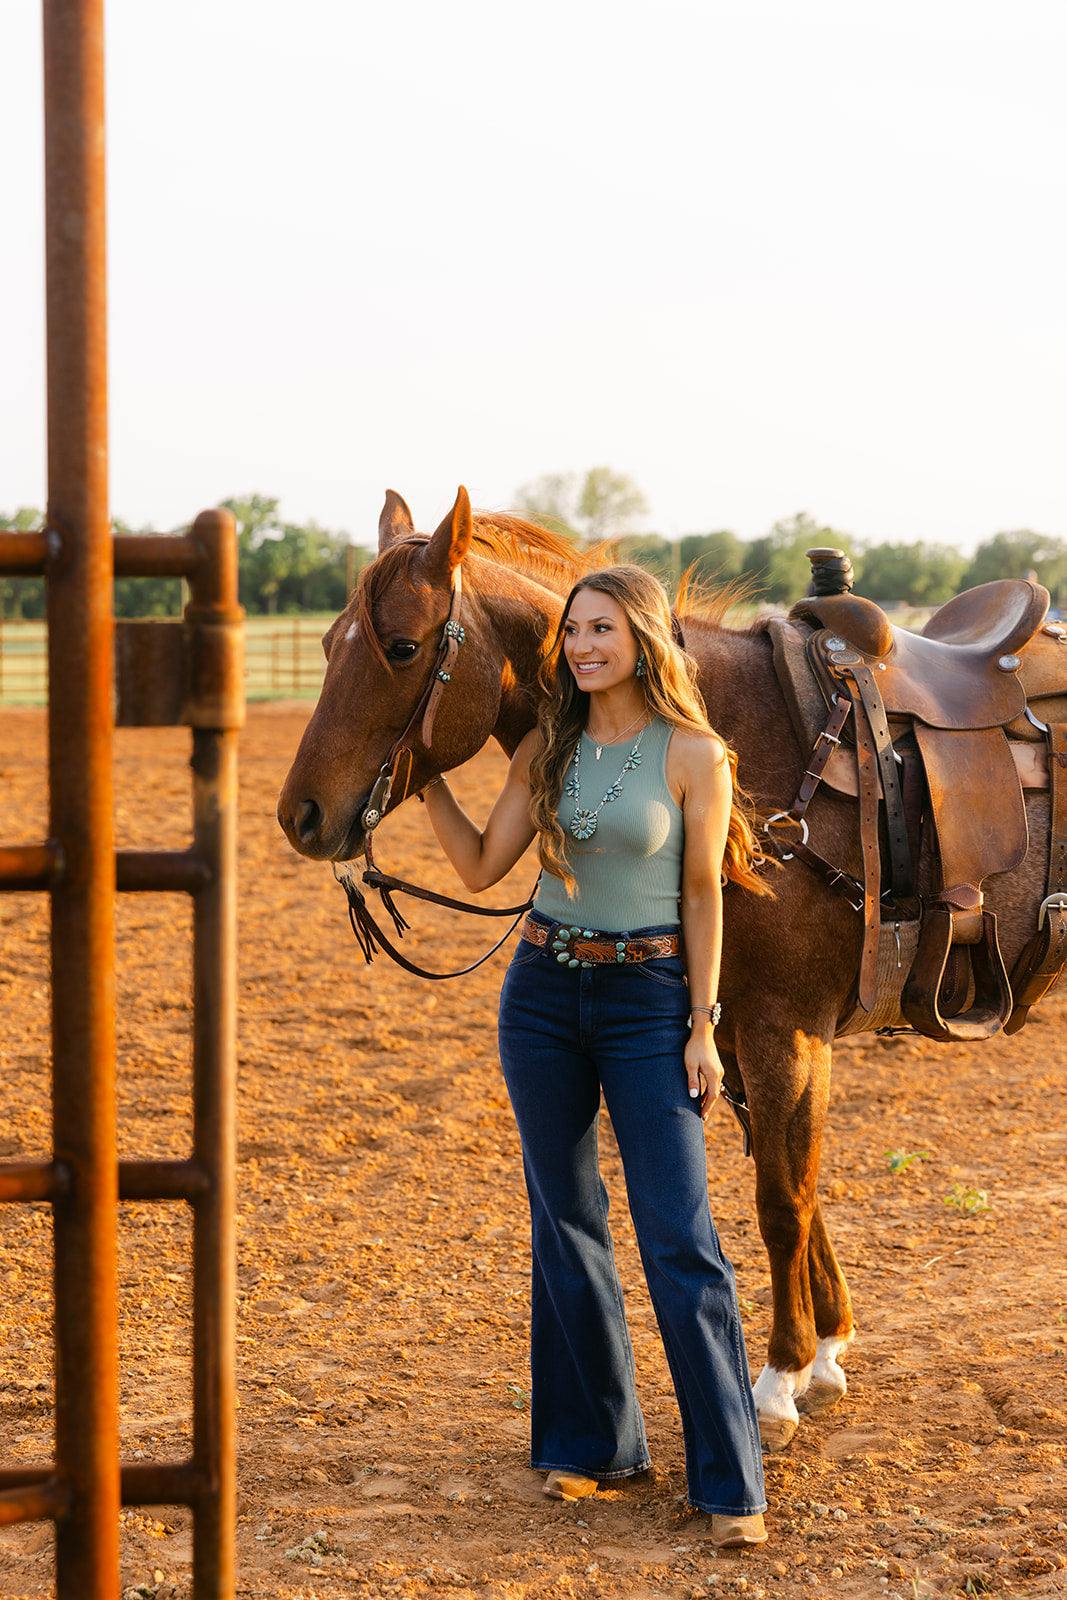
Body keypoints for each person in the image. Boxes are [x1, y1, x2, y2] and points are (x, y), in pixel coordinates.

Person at [420, 564, 771, 1548]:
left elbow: (702, 895)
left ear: (643, 638)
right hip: (539, 992)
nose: (580, 646)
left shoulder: (694, 753)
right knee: (563, 1218)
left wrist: (702, 1023)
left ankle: (728, 1478)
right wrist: (424, 781)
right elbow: (480, 863)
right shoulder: (545, 743)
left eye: (601, 630)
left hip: (648, 999)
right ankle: (590, 1444)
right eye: (572, 630)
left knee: (677, 1233)